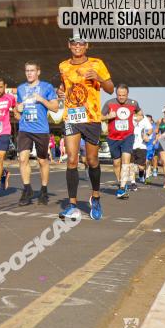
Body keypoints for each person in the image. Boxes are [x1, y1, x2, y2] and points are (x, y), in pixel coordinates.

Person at [57, 33, 114, 221]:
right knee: (71, 160)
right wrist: (61, 91)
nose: (77, 46)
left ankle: (95, 197)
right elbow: (65, 85)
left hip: (91, 118)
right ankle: (72, 205)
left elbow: (110, 88)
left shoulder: (97, 63)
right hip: (72, 117)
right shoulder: (63, 66)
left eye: (81, 43)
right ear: (69, 45)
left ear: (87, 45)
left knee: (92, 160)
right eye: (74, 43)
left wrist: (99, 77)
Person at [15, 61, 59, 205]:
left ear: (38, 72)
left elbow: (55, 108)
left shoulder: (46, 87)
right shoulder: (21, 88)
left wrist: (42, 100)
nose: (29, 73)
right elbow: (17, 108)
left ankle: (44, 190)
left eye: (32, 70)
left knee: (42, 161)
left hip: (41, 129)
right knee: (22, 159)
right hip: (24, 128)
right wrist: (18, 108)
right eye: (27, 70)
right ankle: (27, 190)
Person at [101, 84, 141, 199]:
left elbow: (140, 113)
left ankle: (122, 188)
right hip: (113, 138)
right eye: (119, 95)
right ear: (116, 94)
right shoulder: (109, 103)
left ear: (127, 94)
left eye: (123, 95)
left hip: (127, 136)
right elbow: (99, 116)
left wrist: (139, 117)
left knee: (126, 160)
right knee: (116, 163)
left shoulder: (133, 103)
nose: (121, 97)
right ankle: (121, 184)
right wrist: (108, 116)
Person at [132, 110, 152, 187]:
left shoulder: (145, 120)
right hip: (131, 145)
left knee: (141, 167)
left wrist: (146, 135)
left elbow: (150, 129)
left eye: (141, 115)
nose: (139, 117)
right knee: (132, 165)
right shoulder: (131, 119)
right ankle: (133, 182)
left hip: (141, 146)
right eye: (137, 115)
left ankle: (141, 173)